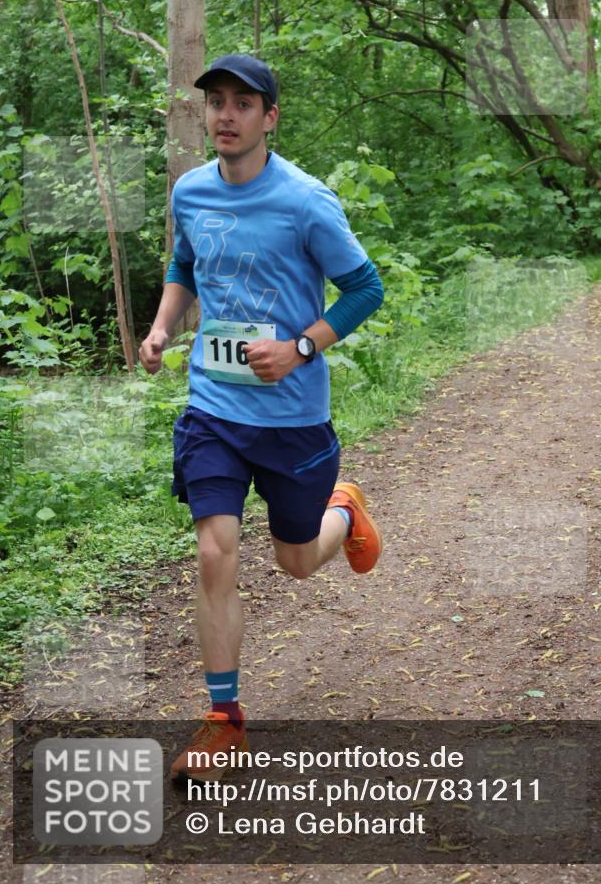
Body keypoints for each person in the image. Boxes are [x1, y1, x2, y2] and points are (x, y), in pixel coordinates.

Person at [139, 54, 384, 782]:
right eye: (215, 101)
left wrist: (301, 346)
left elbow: (364, 288)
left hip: (292, 418)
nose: (225, 114)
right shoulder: (189, 192)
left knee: (296, 562)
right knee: (215, 550)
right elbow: (184, 266)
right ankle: (224, 721)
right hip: (214, 407)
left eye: (243, 103)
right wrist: (160, 329)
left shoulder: (306, 201)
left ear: (269, 117)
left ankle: (344, 510)